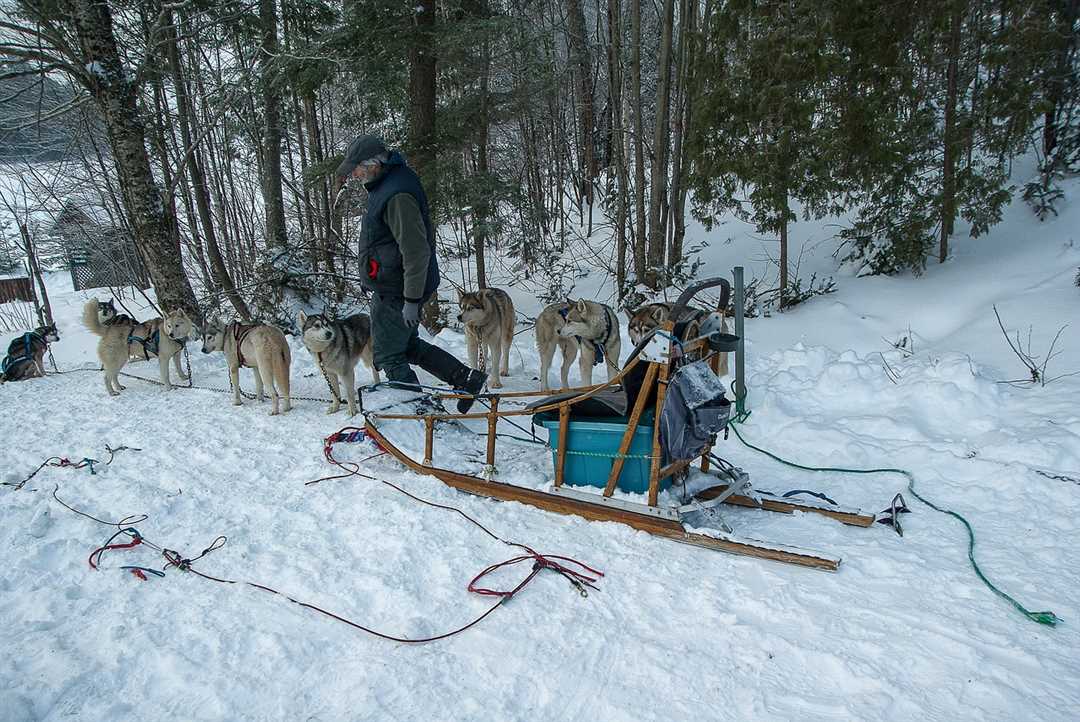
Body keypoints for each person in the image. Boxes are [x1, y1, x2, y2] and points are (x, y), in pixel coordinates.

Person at [337, 135, 486, 413]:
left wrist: (412, 300)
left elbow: (416, 251)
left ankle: (422, 415)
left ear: (373, 164)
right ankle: (465, 379)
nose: (354, 175)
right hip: (395, 285)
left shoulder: (397, 194)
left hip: (398, 290)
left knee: (388, 355)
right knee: (406, 346)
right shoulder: (387, 185)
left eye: (356, 168)